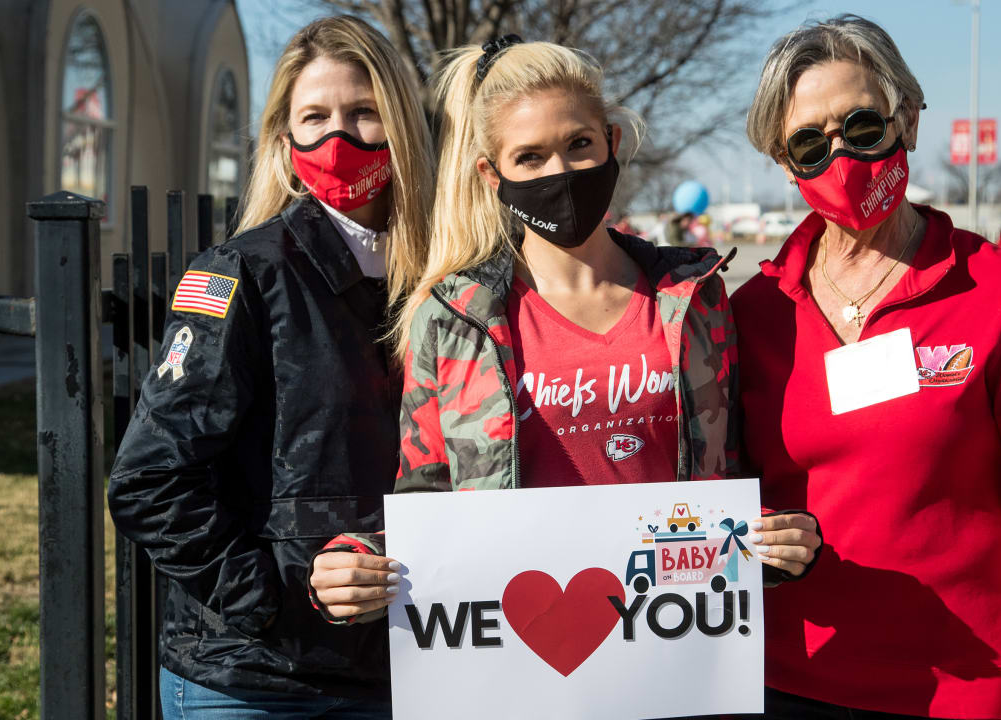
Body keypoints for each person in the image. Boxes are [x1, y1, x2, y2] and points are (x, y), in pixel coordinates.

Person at [309, 36, 820, 624]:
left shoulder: (694, 299)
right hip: (515, 659)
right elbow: (424, 505)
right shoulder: (453, 320)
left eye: (579, 144)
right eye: (530, 157)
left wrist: (779, 542)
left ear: (612, 142)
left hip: (678, 661)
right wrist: (358, 564)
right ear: (491, 173)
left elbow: (731, 480)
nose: (562, 171)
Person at [733, 14, 1001, 720]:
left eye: (861, 127)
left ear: (906, 117)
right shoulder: (752, 314)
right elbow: (719, 492)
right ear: (785, 165)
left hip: (965, 696)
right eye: (809, 145)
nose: (840, 159)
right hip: (786, 686)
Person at [106, 15, 433, 719]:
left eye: (365, 113)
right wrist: (278, 593)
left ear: (402, 125)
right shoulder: (242, 274)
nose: (339, 137)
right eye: (314, 116)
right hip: (255, 683)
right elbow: (150, 481)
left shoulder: (444, 277)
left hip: (408, 665)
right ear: (285, 144)